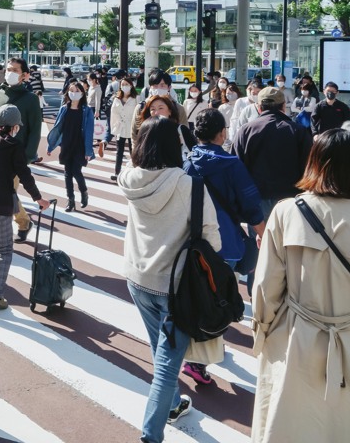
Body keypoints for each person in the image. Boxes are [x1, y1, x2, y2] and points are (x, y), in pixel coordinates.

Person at [251, 129, 350, 443]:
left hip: (295, 339)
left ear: (314, 164)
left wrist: (263, 330)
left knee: (289, 427)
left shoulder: (286, 212)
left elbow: (265, 286)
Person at [119, 117, 221, 443]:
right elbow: (212, 240)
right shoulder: (188, 185)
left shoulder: (130, 178)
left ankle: (174, 405)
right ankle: (150, 436)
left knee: (158, 349)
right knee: (165, 367)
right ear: (172, 145)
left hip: (136, 276)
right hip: (175, 285)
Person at [180, 108, 265, 385]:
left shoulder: (189, 161)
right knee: (220, 298)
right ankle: (196, 361)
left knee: (203, 294)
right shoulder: (231, 164)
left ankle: (205, 351)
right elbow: (250, 204)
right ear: (222, 133)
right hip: (226, 240)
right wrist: (262, 233)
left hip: (196, 241)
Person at [0, 104, 49, 309]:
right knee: (5, 250)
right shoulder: (14, 146)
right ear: (15, 126)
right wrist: (38, 198)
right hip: (1, 206)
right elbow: (25, 175)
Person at [0, 58, 43, 236]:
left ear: (25, 75)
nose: (10, 73)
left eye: (15, 70)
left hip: (17, 156)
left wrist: (27, 157)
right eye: (8, 69)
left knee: (5, 194)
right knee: (7, 193)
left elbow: (35, 132)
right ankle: (24, 222)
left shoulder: (31, 99)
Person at [233, 86, 313, 217]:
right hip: (291, 199)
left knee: (261, 237)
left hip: (256, 199)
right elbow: (309, 166)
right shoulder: (298, 131)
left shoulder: (246, 131)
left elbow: (236, 166)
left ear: (259, 107)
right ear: (283, 106)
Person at [46, 80, 95, 211]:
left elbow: (89, 132)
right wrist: (50, 146)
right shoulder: (64, 108)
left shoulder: (87, 111)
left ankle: (84, 193)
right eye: (71, 91)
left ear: (82, 93)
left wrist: (88, 151)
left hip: (80, 145)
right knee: (67, 173)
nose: (74, 93)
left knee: (76, 172)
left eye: (77, 91)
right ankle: (71, 200)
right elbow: (57, 128)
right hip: (66, 144)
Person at [131, 70, 188, 139]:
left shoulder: (178, 108)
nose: (158, 89)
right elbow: (134, 134)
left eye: (162, 85)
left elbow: (185, 133)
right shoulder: (141, 107)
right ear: (150, 88)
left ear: (169, 87)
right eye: (155, 86)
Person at [109, 76, 139, 181]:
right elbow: (113, 113)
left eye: (127, 84)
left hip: (132, 127)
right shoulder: (117, 98)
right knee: (119, 151)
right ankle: (117, 173)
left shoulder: (136, 98)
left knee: (133, 150)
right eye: (122, 85)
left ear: (131, 85)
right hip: (120, 127)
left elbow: (139, 113)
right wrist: (115, 126)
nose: (124, 86)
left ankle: (136, 171)